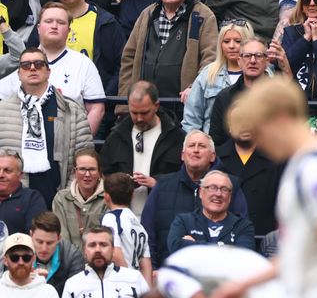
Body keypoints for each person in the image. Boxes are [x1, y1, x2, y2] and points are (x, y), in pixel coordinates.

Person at [212, 77, 317, 298]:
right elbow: (298, 250)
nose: (261, 143)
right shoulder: (304, 164)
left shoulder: (315, 170)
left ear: (280, 119)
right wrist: (243, 286)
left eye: (261, 132)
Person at [0, 47, 92, 205]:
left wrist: (68, 199)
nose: (33, 68)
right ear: (19, 74)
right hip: (12, 203)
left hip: (60, 200)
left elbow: (84, 158)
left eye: (39, 64)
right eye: (26, 65)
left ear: (48, 71)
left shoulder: (72, 110)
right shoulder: (3, 111)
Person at [117, 0, 217, 101]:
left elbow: (210, 59)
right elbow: (129, 57)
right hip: (145, 105)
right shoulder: (147, 14)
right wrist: (124, 102)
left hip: (184, 103)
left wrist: (194, 88)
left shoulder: (203, 15)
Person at [97, 81, 184, 214]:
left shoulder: (176, 137)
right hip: (124, 217)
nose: (139, 118)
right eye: (134, 112)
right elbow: (105, 173)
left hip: (162, 216)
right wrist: (121, 182)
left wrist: (157, 183)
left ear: (156, 106)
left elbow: (185, 177)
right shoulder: (116, 136)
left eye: (144, 113)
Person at [51, 148, 105, 249]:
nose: (87, 174)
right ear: (74, 172)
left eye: (92, 169)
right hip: (70, 261)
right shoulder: (61, 199)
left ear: (99, 173)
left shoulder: (108, 199)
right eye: (82, 169)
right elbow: (62, 238)